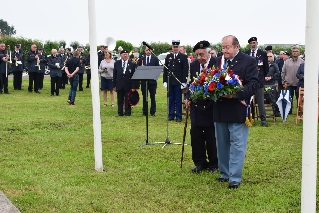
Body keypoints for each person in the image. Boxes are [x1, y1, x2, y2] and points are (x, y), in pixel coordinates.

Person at [213, 35, 259, 189]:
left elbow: (253, 84)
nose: (224, 50)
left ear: (236, 46)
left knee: (237, 144)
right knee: (222, 143)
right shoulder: (217, 61)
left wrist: (235, 93)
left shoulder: (249, 61)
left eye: (227, 47)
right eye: (223, 47)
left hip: (238, 108)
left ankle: (235, 177)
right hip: (220, 109)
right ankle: (224, 173)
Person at [185, 40, 218, 173]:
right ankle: (200, 162)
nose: (199, 57)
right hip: (196, 106)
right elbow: (191, 84)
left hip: (211, 106)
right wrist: (187, 97)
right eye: (197, 55)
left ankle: (214, 163)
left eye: (202, 54)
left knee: (211, 136)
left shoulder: (217, 63)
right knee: (196, 135)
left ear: (209, 52)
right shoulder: (193, 65)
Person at [245, 37, 269, 127]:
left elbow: (266, 68)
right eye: (251, 43)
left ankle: (263, 120)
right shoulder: (246, 54)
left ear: (257, 43)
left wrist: (262, 77)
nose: (252, 44)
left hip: (259, 81)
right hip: (249, 82)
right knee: (249, 101)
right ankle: (250, 118)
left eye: (254, 42)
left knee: (260, 102)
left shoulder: (262, 54)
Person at [163, 40, 189, 122]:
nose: (175, 48)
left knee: (178, 99)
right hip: (170, 81)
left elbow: (185, 70)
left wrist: (184, 82)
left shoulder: (183, 57)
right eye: (174, 47)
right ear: (172, 47)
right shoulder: (168, 56)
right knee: (171, 98)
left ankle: (178, 116)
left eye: (176, 47)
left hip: (178, 81)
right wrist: (165, 81)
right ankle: (171, 115)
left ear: (179, 47)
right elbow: (165, 69)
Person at [113, 50, 137, 116]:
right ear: (121, 55)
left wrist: (133, 87)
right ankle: (120, 112)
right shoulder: (117, 63)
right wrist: (114, 85)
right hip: (119, 84)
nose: (125, 55)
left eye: (126, 54)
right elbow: (114, 75)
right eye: (124, 54)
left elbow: (133, 76)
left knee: (128, 99)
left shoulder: (131, 64)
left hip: (128, 84)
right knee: (120, 99)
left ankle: (127, 112)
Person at [282, 45, 304, 114]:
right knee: (289, 98)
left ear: (299, 52)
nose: (295, 53)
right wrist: (283, 81)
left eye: (296, 51)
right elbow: (283, 72)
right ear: (292, 52)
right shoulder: (287, 62)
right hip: (289, 83)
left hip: (299, 83)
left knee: (299, 99)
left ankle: (299, 111)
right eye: (293, 51)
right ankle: (289, 111)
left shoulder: (302, 62)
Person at [138, 46, 160, 116]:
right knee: (145, 97)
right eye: (147, 50)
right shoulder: (141, 59)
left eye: (149, 50)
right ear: (145, 51)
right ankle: (144, 111)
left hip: (152, 82)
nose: (148, 51)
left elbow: (157, 69)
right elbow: (138, 69)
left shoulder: (155, 59)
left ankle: (153, 112)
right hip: (144, 81)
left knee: (152, 97)